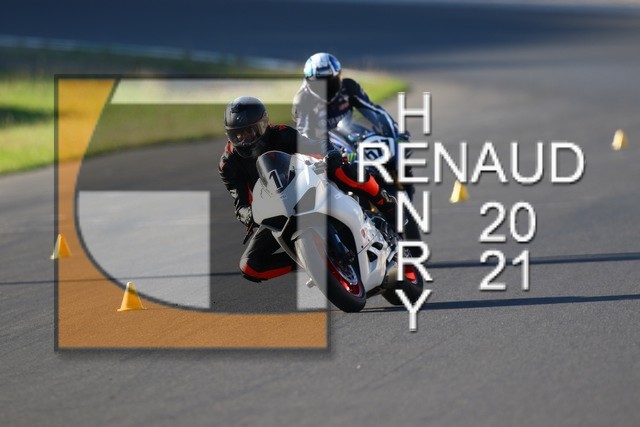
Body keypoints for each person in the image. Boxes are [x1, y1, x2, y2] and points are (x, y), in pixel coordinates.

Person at [219, 96, 398, 283]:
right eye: (237, 135)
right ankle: (313, 260)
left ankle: (384, 201)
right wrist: (248, 214)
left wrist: (331, 152)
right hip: (277, 210)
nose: (245, 140)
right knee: (250, 266)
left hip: (305, 184)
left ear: (263, 125)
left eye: (250, 131)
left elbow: (315, 144)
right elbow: (240, 204)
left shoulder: (280, 133)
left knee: (345, 169)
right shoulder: (228, 163)